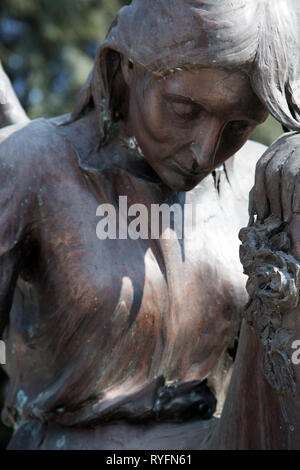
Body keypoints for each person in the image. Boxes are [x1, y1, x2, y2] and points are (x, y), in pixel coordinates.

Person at [0, 0, 299, 449]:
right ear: (126, 67)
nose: (204, 151)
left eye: (239, 125)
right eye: (184, 110)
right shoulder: (34, 162)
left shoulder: (262, 187)